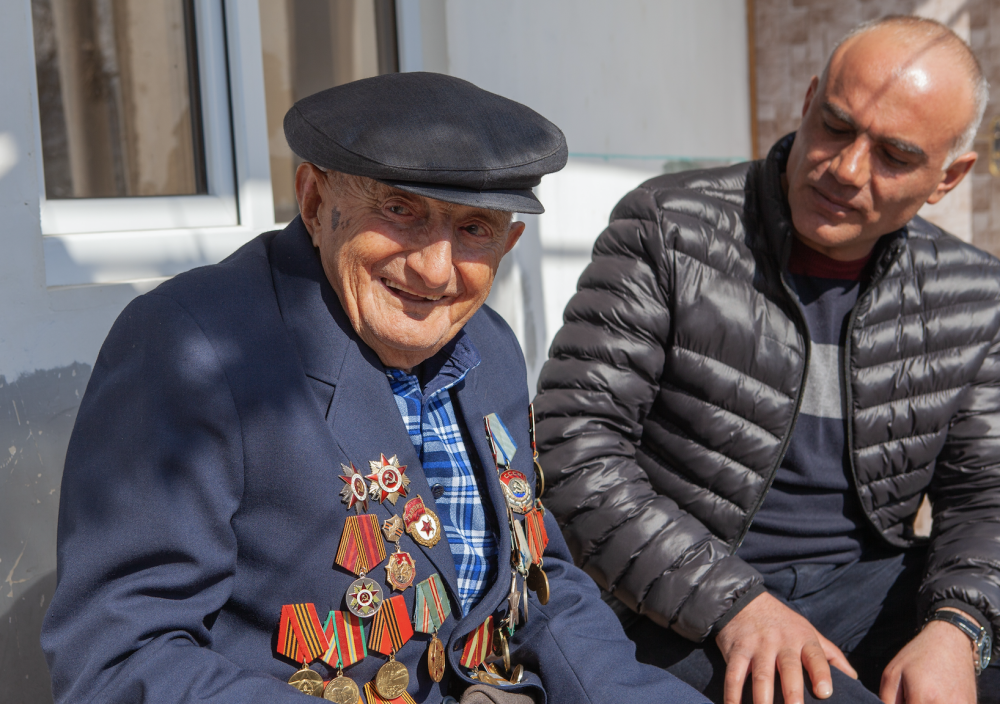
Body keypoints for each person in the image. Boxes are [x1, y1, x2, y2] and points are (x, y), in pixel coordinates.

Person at [40, 73, 708, 704]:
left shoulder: (491, 347)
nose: (435, 269)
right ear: (313, 201)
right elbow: (119, 656)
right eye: (401, 211)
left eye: (473, 228)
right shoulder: (193, 344)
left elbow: (537, 583)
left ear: (510, 244)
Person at [533, 15, 1000, 704]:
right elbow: (572, 448)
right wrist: (737, 605)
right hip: (679, 599)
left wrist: (959, 627)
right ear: (809, 100)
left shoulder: (969, 291)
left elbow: (984, 494)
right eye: (836, 126)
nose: (845, 169)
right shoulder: (669, 228)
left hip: (872, 588)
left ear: (948, 177)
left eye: (894, 155)